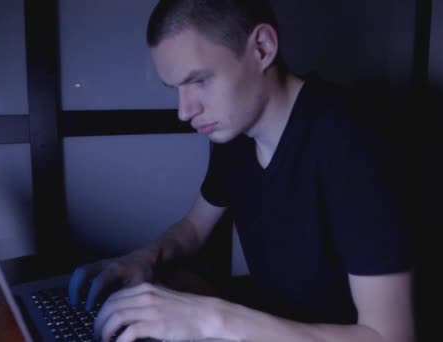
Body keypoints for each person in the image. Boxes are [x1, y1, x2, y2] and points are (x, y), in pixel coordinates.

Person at [68, 1, 415, 341]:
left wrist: (212, 319)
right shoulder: (232, 135)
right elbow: (192, 228)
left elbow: (390, 336)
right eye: (176, 89)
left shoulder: (353, 142)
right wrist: (143, 259)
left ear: (262, 48)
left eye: (200, 80)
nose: (184, 111)